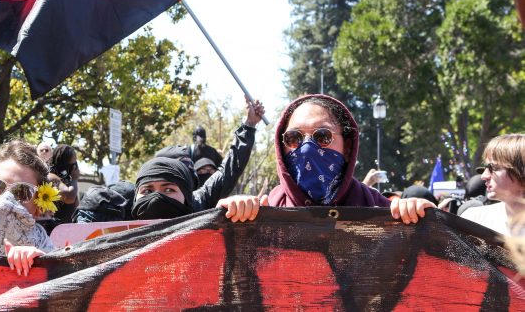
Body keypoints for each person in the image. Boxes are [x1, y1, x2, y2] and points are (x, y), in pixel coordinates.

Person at [215, 94, 434, 224]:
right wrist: (230, 217)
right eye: (294, 138)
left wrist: (422, 218)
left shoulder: (383, 212)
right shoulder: (264, 211)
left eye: (322, 136)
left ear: (347, 147)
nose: (307, 148)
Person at [132, 100, 265, 220]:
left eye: (169, 190)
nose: (157, 199)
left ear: (186, 193)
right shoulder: (120, 211)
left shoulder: (199, 203)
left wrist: (249, 124)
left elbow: (229, 169)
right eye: (147, 191)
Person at [0, 140, 55, 276]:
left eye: (22, 192)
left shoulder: (54, 256)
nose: (5, 201)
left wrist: (45, 264)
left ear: (38, 207)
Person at [461, 134, 525, 235]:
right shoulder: (474, 219)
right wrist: (430, 218)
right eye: (486, 167)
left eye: (494, 168)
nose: (484, 176)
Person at [47, 144, 80, 223]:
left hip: (68, 227)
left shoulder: (67, 179)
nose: (75, 166)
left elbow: (76, 204)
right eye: (73, 162)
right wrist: (75, 179)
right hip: (55, 228)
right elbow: (69, 198)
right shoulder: (51, 177)